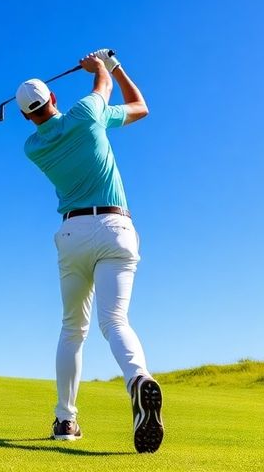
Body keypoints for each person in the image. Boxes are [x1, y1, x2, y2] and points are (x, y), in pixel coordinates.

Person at [17, 49, 163, 453]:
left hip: (72, 234)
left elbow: (132, 109)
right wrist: (105, 65)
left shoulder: (33, 146)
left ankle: (66, 420)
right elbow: (134, 102)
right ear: (54, 99)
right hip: (116, 227)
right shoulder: (86, 114)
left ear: (29, 115)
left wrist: (103, 73)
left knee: (72, 330)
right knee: (115, 321)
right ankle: (138, 380)